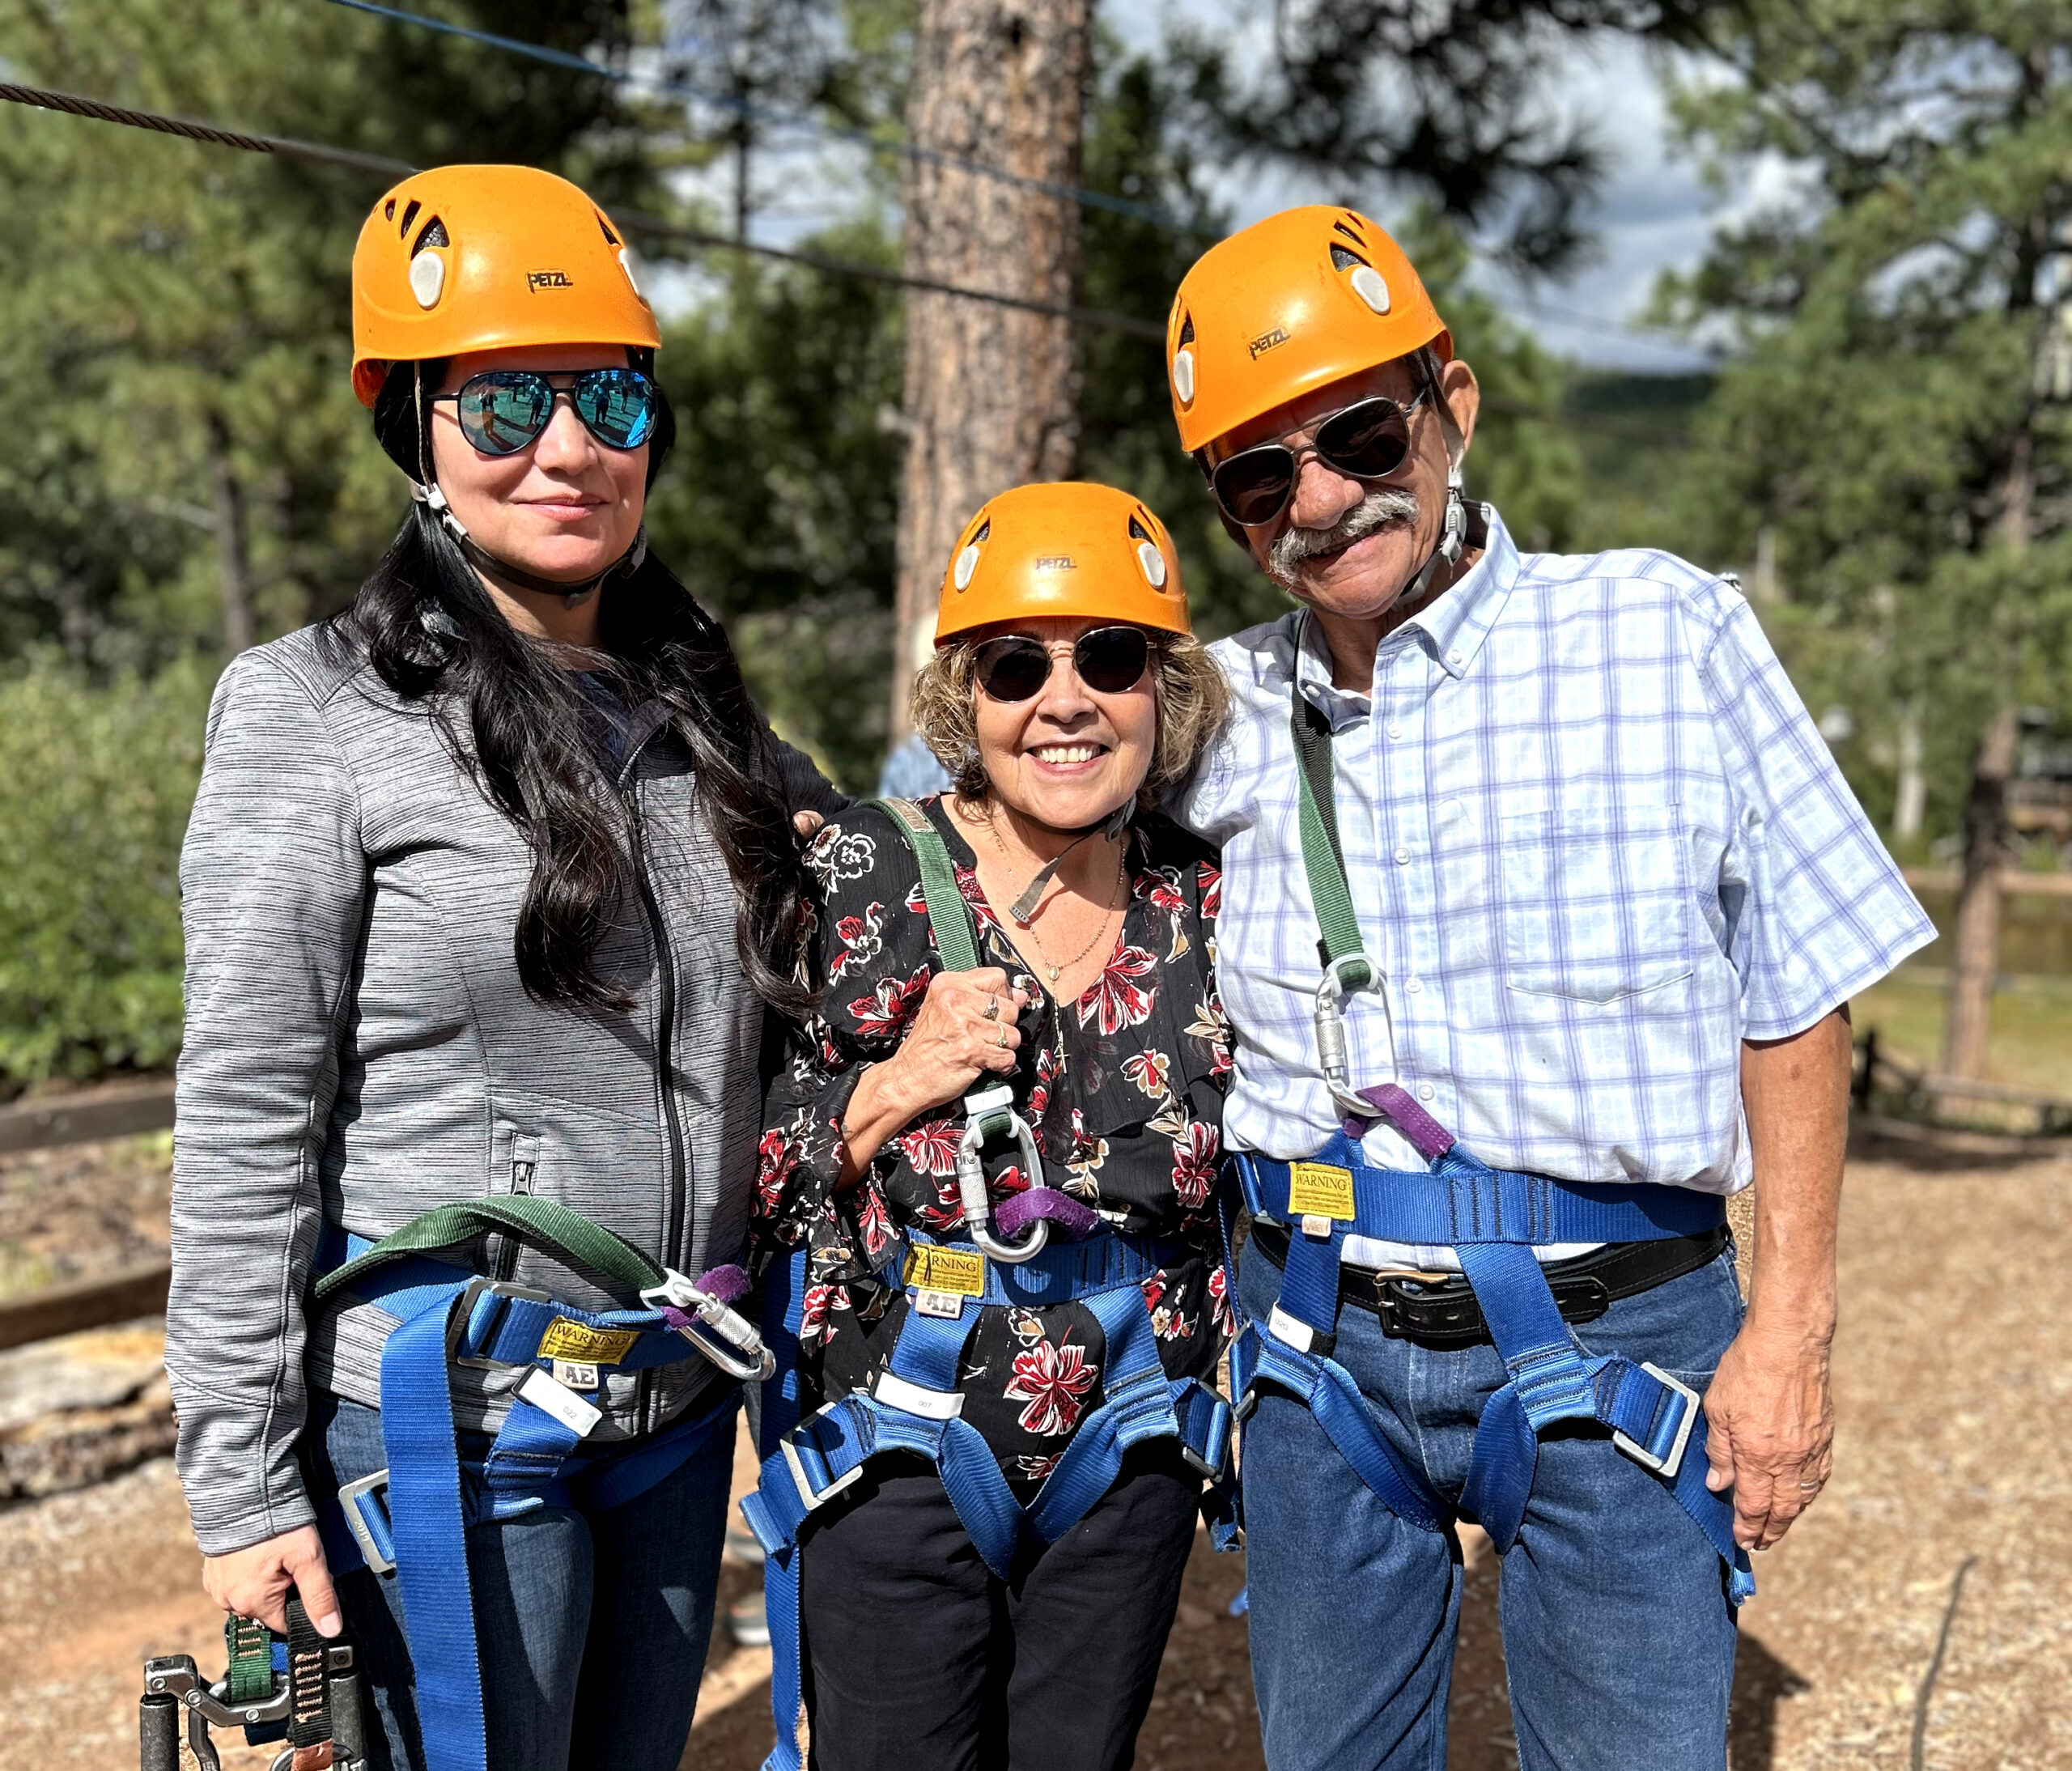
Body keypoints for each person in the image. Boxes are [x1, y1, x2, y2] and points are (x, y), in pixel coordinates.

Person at [1161, 207, 1936, 1770]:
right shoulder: (1212, 708)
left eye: (1358, 431)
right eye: (1261, 477)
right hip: (1314, 1362)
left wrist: (1789, 1336)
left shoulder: (1663, 632)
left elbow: (1795, 994)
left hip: (1625, 1339)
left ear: (1452, 399)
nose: (1320, 499)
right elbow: (986, 820)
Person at [168, 164, 838, 1771]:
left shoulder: (711, 728)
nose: (568, 447)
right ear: (413, 433)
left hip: (672, 1421)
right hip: (451, 1430)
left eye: (609, 395)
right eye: (504, 405)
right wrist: (245, 1486)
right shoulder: (315, 716)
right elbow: (248, 1111)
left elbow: (893, 900)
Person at [745, 482, 1236, 1771]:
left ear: (1162, 695)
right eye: (1017, 666)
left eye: (1111, 659)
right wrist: (901, 1078)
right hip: (901, 1428)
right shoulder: (864, 872)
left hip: (1133, 1437)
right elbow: (739, 1163)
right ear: (969, 699)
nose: (1065, 701)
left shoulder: (1205, 897)